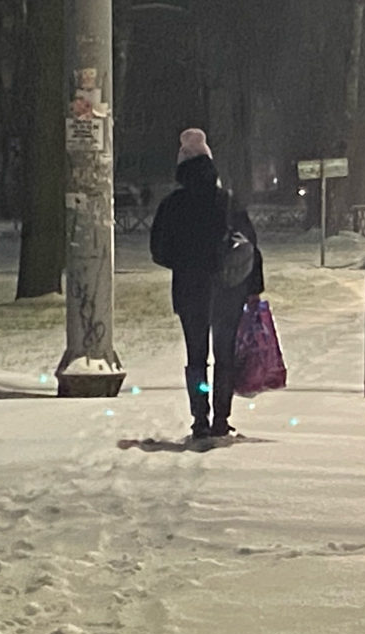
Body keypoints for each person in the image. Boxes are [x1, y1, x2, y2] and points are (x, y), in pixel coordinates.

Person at [150, 129, 264, 440]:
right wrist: (254, 288)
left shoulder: (172, 205)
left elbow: (158, 251)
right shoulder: (226, 202)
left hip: (190, 292)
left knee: (196, 358)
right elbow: (251, 245)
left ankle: (200, 417)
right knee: (224, 356)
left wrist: (184, 262)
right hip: (228, 290)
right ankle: (221, 419)